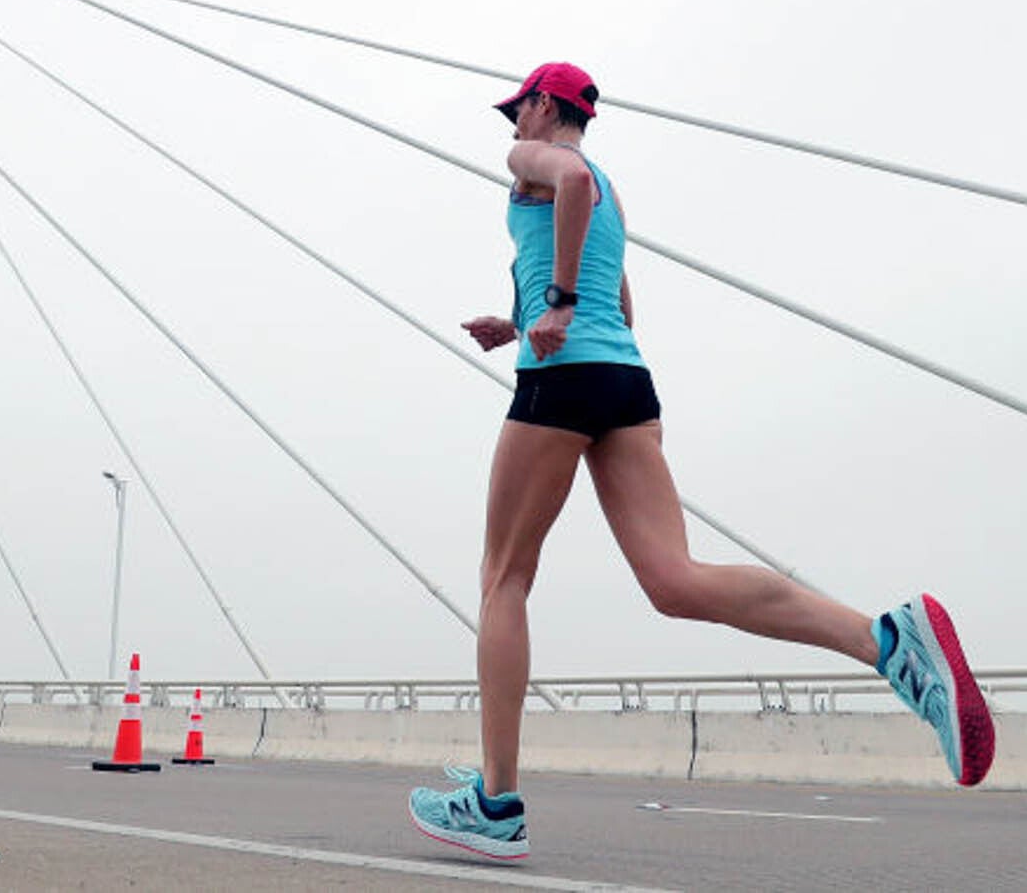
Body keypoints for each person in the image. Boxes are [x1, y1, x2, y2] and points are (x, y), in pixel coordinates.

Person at [406, 64, 995, 861]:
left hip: (563, 382)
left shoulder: (540, 166)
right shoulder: (611, 200)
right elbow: (623, 302)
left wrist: (557, 310)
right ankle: (885, 640)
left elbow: (567, 183)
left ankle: (496, 801)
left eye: (518, 111)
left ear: (545, 106)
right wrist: (522, 321)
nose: (513, 128)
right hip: (626, 385)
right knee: (675, 582)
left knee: (504, 578)